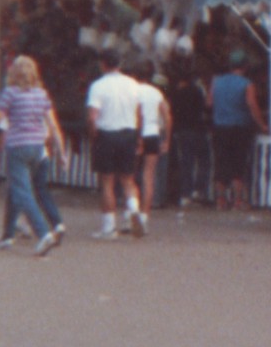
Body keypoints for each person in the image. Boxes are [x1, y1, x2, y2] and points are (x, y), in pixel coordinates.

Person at [0, 55, 65, 256]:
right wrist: (62, 153)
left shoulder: (10, 93)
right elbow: (53, 125)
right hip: (37, 147)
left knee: (23, 192)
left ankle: (43, 233)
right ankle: (7, 235)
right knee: (14, 188)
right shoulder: (41, 95)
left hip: (17, 146)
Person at [86, 49, 143, 239]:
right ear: (120, 63)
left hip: (106, 134)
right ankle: (134, 209)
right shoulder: (133, 84)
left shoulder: (98, 86)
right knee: (128, 179)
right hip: (129, 132)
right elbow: (139, 113)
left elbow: (92, 117)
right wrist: (138, 136)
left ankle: (109, 227)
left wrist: (93, 135)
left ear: (103, 64)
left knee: (107, 181)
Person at [209, 50, 265, 211]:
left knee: (221, 163)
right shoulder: (247, 84)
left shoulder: (216, 81)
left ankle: (220, 201)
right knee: (238, 164)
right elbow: (252, 105)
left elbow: (209, 102)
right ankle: (238, 201)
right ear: (245, 66)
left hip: (220, 127)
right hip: (240, 127)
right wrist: (262, 124)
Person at [130, 60, 171, 233]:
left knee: (130, 176)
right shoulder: (156, 93)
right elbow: (167, 116)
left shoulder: (131, 91)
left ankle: (132, 211)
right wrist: (166, 139)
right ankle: (145, 217)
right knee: (149, 175)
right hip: (153, 134)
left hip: (135, 135)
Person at [167, 64, 211, 207]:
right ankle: (199, 190)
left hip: (182, 130)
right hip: (198, 129)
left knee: (186, 162)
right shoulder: (197, 91)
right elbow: (204, 108)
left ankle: (186, 194)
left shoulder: (176, 94)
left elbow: (172, 112)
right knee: (204, 160)